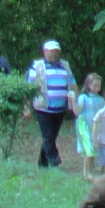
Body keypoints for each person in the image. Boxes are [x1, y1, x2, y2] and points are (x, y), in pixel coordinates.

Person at [27, 40, 75, 168]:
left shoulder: (65, 65)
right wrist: (26, 106)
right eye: (51, 51)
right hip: (43, 107)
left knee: (51, 136)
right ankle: (54, 161)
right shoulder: (37, 66)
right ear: (45, 52)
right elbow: (29, 86)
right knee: (48, 136)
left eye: (56, 51)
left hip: (60, 108)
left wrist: (75, 101)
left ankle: (42, 164)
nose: (54, 54)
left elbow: (73, 83)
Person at [73, 73, 104, 180]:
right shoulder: (83, 97)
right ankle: (88, 173)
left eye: (98, 86)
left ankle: (88, 172)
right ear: (88, 85)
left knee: (94, 151)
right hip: (85, 127)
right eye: (94, 85)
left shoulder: (101, 99)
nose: (96, 88)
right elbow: (77, 111)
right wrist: (73, 102)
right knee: (88, 151)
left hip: (96, 128)